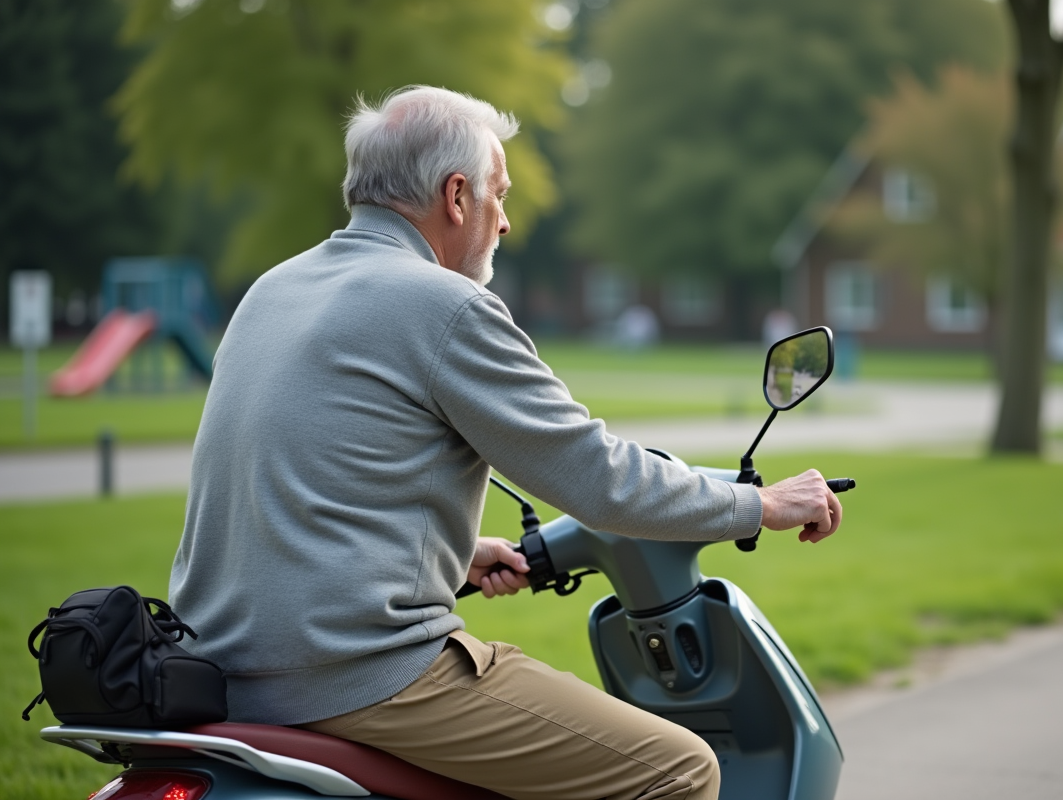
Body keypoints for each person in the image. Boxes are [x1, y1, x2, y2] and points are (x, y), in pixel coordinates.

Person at [169, 86, 842, 800]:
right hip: (358, 676)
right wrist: (757, 503)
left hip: (224, 668)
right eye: (500, 193)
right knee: (680, 769)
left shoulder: (272, 290)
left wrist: (454, 561)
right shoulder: (441, 304)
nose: (508, 221)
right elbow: (597, 477)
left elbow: (306, 483)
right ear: (456, 196)